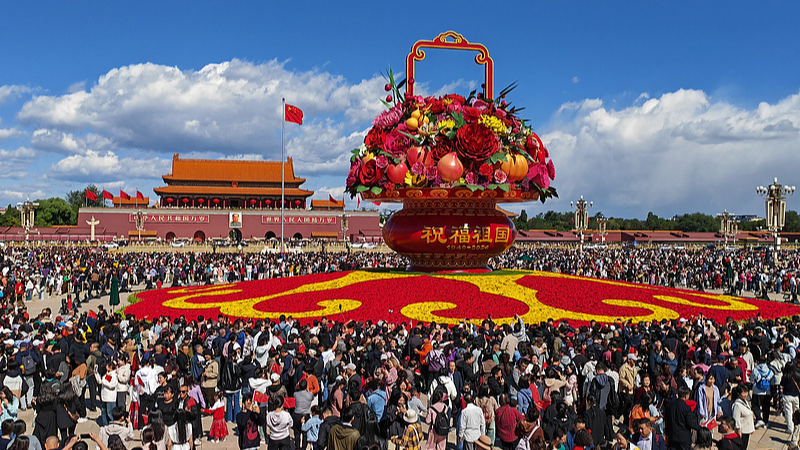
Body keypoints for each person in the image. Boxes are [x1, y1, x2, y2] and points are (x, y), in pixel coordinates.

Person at [731, 384, 755, 449]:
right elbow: (736, 418)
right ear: (738, 394)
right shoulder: (737, 405)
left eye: (746, 392)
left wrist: (751, 428)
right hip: (742, 431)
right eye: (743, 392)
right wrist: (738, 430)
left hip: (747, 430)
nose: (745, 394)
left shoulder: (745, 402)